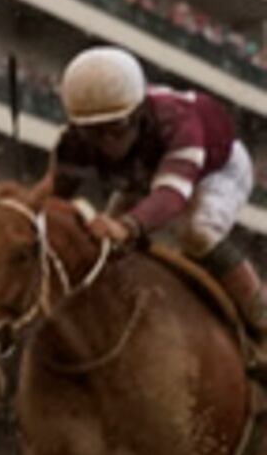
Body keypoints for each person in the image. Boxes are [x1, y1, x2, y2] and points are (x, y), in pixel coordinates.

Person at [49, 44, 267, 347]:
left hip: (213, 170)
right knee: (104, 247)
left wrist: (127, 226)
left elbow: (171, 195)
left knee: (196, 231)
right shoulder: (74, 140)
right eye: (94, 132)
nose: (107, 142)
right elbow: (50, 196)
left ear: (138, 113)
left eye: (116, 127)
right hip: (145, 176)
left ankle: (260, 317)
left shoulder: (177, 120)